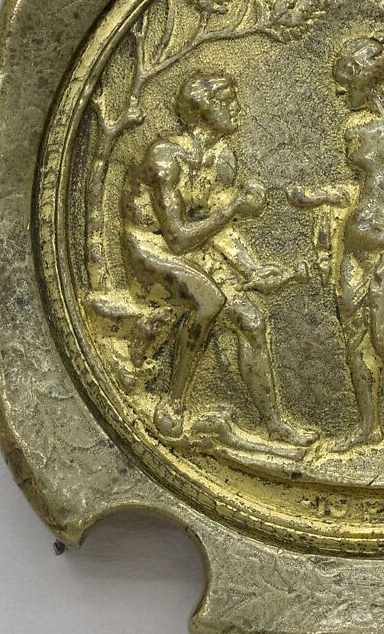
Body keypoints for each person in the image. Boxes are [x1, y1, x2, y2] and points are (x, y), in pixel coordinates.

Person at [122, 68, 315, 446]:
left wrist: (251, 267)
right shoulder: (165, 158)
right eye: (227, 102)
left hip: (195, 249)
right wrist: (235, 208)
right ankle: (174, 402)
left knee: (252, 320)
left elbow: (213, 225)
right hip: (149, 248)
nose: (237, 108)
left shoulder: (221, 157)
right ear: (202, 110)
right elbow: (177, 238)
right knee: (208, 300)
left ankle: (274, 423)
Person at [288, 37, 384, 452]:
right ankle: (369, 426)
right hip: (355, 242)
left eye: (344, 81)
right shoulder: (354, 129)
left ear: (364, 78)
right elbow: (362, 189)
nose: (339, 91)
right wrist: (323, 197)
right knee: (355, 341)